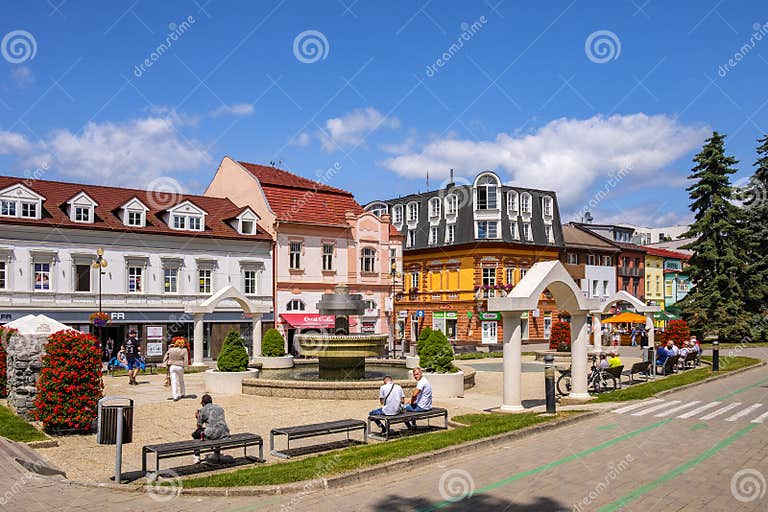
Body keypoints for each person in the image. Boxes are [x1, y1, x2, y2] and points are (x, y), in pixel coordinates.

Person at [192, 394, 230, 463]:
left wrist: (198, 417)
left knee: (195, 434)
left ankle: (197, 456)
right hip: (225, 433)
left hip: (213, 434)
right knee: (217, 430)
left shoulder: (202, 410)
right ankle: (217, 453)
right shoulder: (220, 408)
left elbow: (199, 426)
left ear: (203, 403)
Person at [163, 337, 189, 401]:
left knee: (174, 381)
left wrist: (164, 364)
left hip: (172, 366)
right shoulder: (184, 350)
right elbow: (186, 359)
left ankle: (175, 396)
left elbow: (165, 357)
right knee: (181, 380)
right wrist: (186, 367)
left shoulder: (171, 349)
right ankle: (183, 393)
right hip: (180, 366)